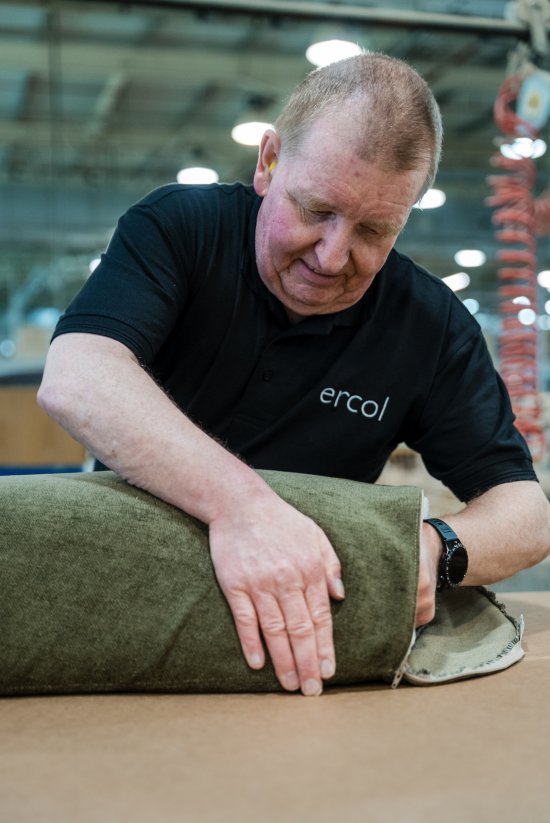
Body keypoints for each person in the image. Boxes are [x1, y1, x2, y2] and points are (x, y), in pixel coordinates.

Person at [38, 52, 549, 697]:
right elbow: (78, 373)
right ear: (269, 161)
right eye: (315, 210)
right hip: (124, 583)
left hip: (306, 628)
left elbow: (526, 513)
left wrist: (433, 549)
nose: (334, 257)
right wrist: (244, 510)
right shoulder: (180, 228)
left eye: (374, 230)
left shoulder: (432, 325)